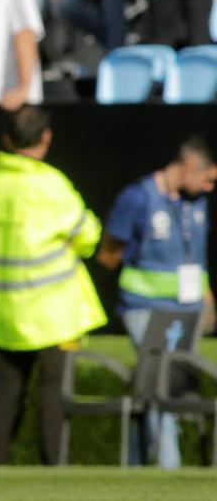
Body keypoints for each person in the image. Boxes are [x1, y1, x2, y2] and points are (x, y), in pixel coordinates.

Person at [0, 107, 105, 465]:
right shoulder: (50, 184)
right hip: (52, 312)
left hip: (3, 312)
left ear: (7, 140)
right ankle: (54, 467)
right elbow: (88, 232)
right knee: (52, 394)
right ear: (46, 137)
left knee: (4, 391)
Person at [97, 136, 216, 468]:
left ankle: (138, 462)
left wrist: (207, 297)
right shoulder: (138, 198)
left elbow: (195, 256)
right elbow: (108, 253)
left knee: (166, 388)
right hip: (145, 307)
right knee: (160, 383)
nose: (209, 188)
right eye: (208, 179)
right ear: (190, 167)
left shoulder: (196, 201)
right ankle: (169, 466)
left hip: (187, 310)